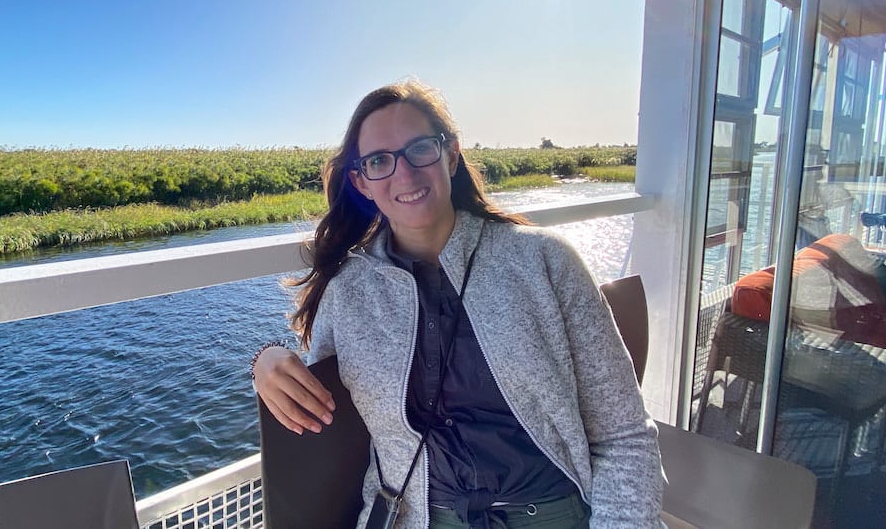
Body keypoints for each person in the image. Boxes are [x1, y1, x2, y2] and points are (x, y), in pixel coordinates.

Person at [253, 81, 663, 529]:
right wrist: (265, 358)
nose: (404, 175)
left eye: (420, 149)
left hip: (551, 513)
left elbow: (624, 434)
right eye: (379, 161)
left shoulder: (543, 260)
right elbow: (311, 382)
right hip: (419, 517)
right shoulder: (349, 292)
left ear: (451, 154)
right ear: (361, 181)